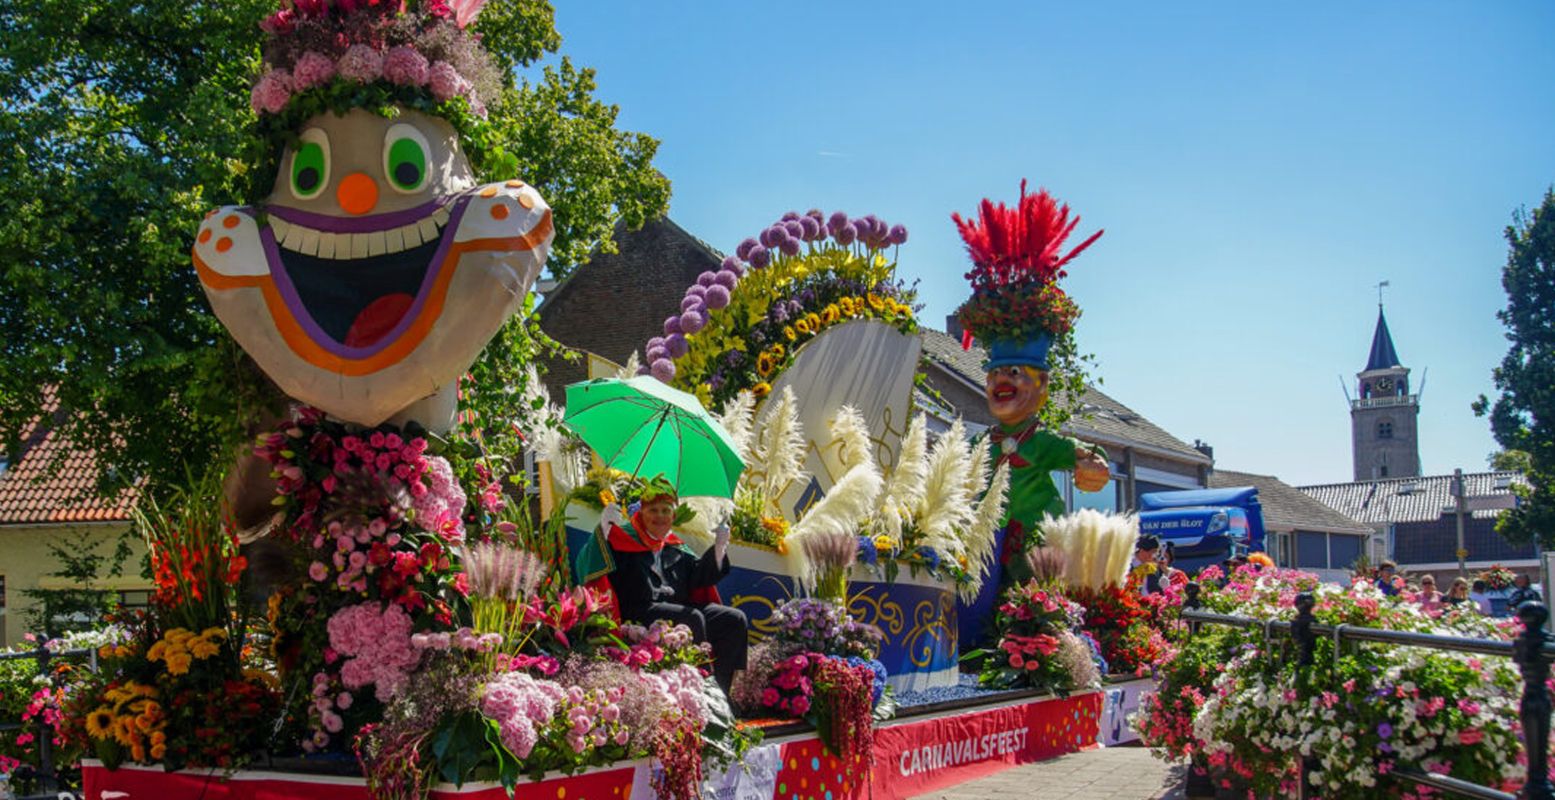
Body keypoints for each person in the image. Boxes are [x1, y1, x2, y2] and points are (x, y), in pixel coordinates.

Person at [577, 478, 747, 692]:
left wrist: (719, 549)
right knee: (692, 616)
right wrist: (601, 532)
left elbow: (697, 579)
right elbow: (589, 565)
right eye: (653, 510)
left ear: (673, 516)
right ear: (642, 513)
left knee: (733, 619)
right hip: (640, 610)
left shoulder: (675, 546)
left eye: (665, 511)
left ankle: (723, 690)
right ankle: (702, 689)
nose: (660, 516)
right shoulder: (621, 540)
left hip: (676, 608)